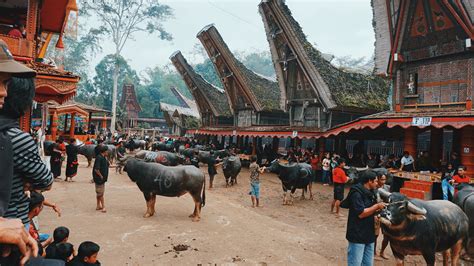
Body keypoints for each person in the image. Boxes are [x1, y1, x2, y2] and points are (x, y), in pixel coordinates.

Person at [343, 171, 385, 266]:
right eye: (375, 181)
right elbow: (361, 214)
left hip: (369, 234)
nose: (377, 183)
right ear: (369, 181)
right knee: (355, 263)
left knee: (368, 264)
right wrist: (377, 206)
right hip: (357, 234)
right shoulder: (356, 193)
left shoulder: (373, 192)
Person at [374, 174, 390, 259]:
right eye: (381, 179)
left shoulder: (387, 187)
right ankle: (374, 253)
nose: (383, 181)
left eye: (384, 179)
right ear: (378, 179)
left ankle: (382, 252)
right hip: (376, 213)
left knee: (387, 235)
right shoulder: (373, 187)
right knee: (375, 235)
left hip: (385, 213)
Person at [93, 145, 109, 213]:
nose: (108, 152)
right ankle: (103, 207)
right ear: (104, 152)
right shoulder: (99, 158)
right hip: (99, 178)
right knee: (101, 193)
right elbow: (96, 169)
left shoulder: (103, 157)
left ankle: (98, 205)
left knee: (99, 192)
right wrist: (101, 176)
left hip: (101, 178)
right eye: (107, 151)